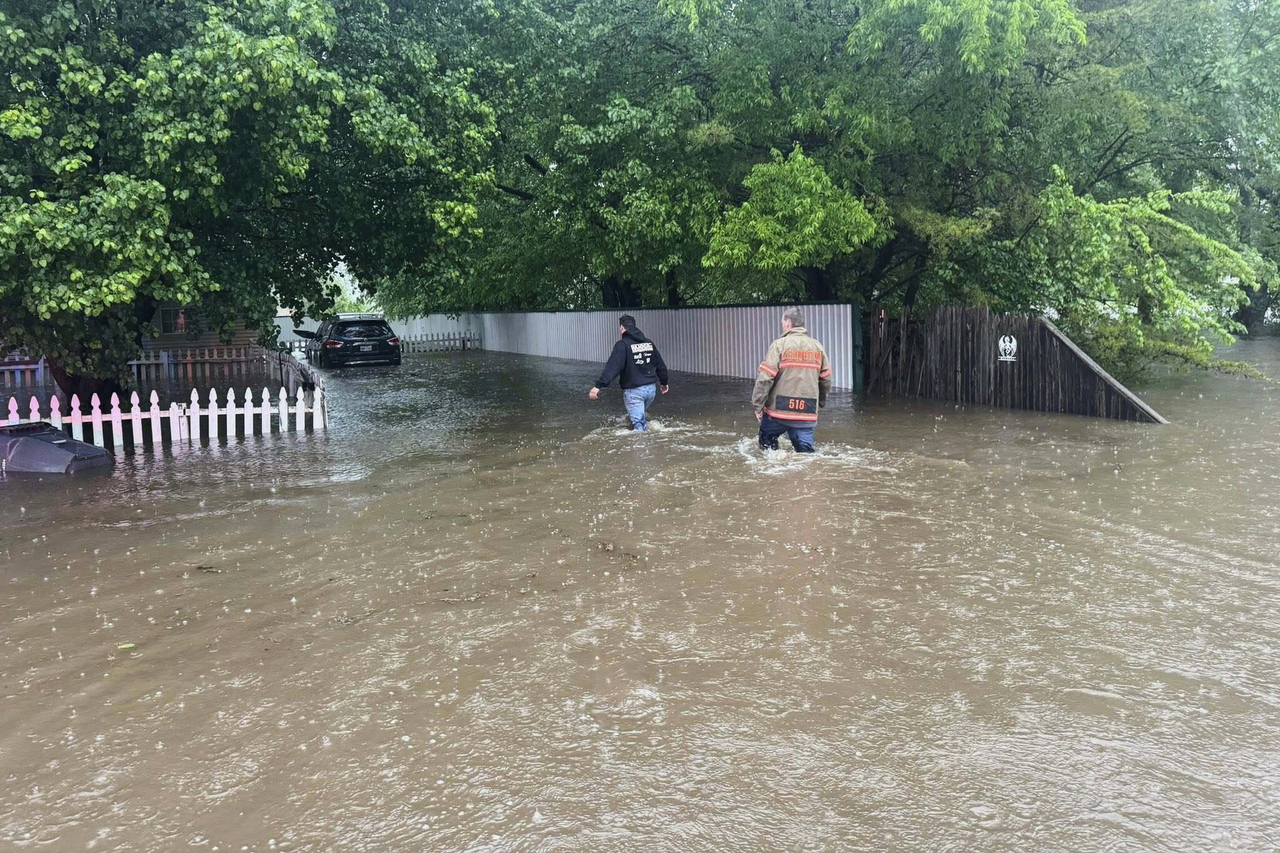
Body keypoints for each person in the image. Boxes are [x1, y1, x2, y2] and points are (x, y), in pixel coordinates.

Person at [751, 307, 832, 453]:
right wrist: (820, 403)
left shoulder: (779, 345)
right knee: (805, 455)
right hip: (806, 411)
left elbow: (765, 378)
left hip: (778, 412)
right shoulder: (817, 347)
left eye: (783, 322)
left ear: (788, 323)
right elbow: (825, 380)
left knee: (767, 448)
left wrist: (758, 405)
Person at [588, 315, 669, 431]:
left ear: (622, 328)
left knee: (639, 428)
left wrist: (598, 386)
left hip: (634, 392)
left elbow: (613, 367)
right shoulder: (648, 343)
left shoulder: (622, 345)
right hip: (651, 390)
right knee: (637, 418)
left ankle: (640, 447)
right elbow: (660, 365)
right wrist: (664, 382)